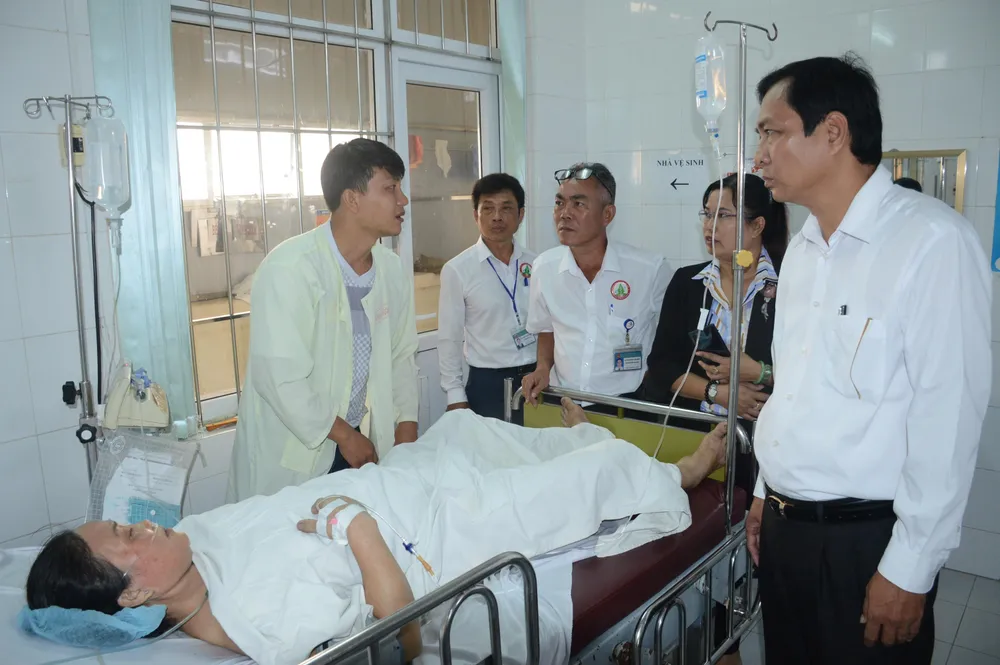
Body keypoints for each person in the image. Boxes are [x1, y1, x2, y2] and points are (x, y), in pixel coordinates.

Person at [23, 405, 729, 665]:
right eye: (128, 532)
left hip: (403, 477)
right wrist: (355, 528)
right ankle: (678, 473)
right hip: (436, 532)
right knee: (591, 473)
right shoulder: (262, 623)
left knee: (466, 425)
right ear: (135, 593)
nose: (146, 520)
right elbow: (401, 633)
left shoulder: (195, 538)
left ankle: (591, 441)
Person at [747, 54, 992, 665]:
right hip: (784, 532)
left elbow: (948, 418)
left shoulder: (930, 242)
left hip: (866, 544)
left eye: (772, 133)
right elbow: (794, 390)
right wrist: (763, 491)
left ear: (833, 132)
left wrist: (911, 566)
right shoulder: (802, 251)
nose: (758, 158)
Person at [640, 173, 788, 665]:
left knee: (759, 562)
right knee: (705, 565)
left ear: (757, 225)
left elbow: (810, 372)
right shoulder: (689, 285)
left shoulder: (788, 286)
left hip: (766, 453)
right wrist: (720, 393)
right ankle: (723, 649)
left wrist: (758, 376)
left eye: (724, 215)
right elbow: (662, 368)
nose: (710, 226)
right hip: (702, 447)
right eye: (706, 214)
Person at [228, 138, 419, 502]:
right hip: (300, 450)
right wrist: (345, 436)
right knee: (289, 531)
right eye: (390, 188)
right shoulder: (291, 268)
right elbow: (281, 378)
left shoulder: (391, 270)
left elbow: (402, 356)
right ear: (352, 199)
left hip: (362, 445)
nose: (403, 200)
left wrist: (406, 434)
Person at [521, 163, 672, 411]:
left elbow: (670, 339)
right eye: (559, 203)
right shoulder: (544, 267)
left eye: (578, 204)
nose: (565, 214)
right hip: (564, 401)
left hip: (628, 404)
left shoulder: (649, 269)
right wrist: (542, 368)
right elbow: (546, 328)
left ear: (607, 215)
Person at [438, 174, 537, 423]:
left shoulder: (537, 264)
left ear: (521, 215)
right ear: (476, 215)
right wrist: (454, 395)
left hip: (536, 381)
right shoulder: (458, 269)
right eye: (488, 209)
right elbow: (449, 337)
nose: (497, 217)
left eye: (506, 208)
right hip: (487, 383)